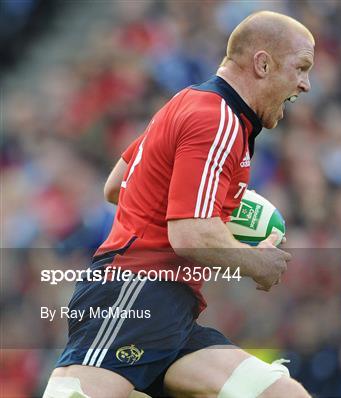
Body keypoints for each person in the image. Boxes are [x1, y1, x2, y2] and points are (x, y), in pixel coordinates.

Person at [44, 11, 314, 398]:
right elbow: (189, 235)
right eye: (301, 68)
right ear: (263, 63)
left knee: (280, 394)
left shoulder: (189, 103)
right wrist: (258, 263)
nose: (305, 84)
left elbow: (117, 185)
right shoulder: (218, 119)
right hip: (136, 290)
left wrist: (206, 204)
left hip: (172, 311)